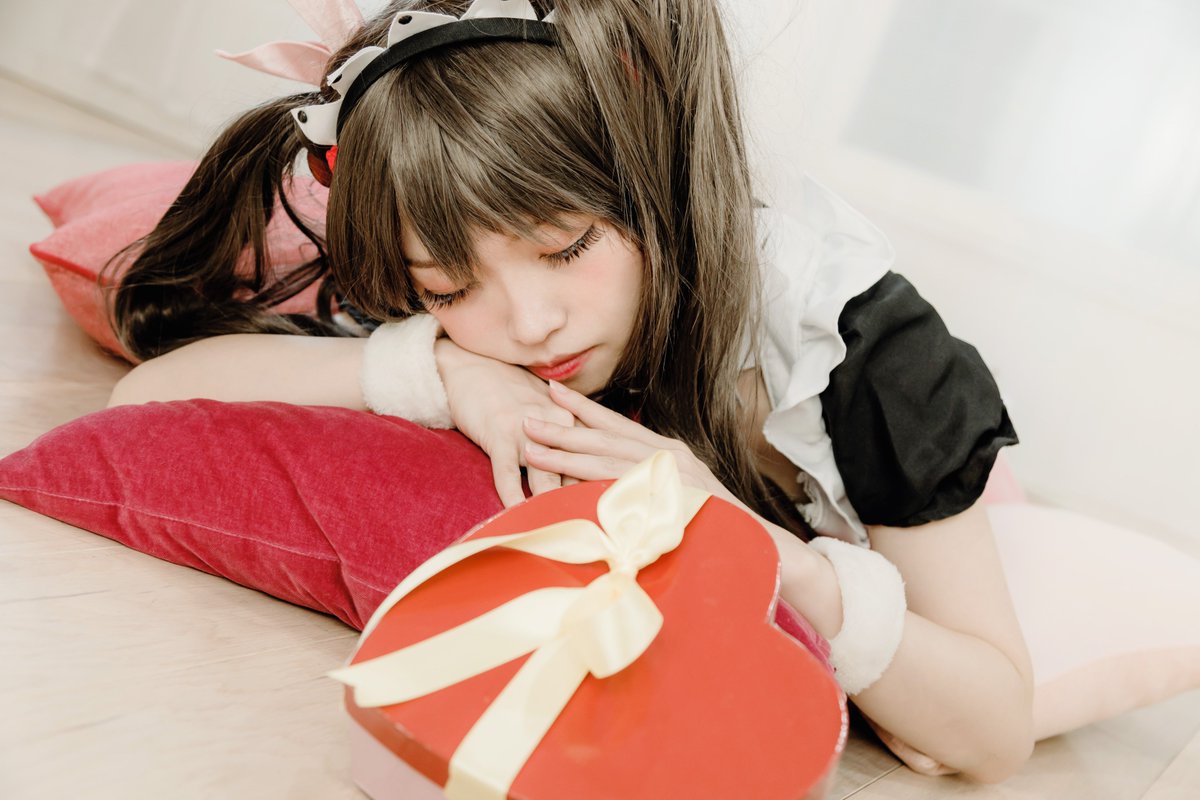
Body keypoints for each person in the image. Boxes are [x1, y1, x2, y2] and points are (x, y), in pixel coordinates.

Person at [107, 0, 1033, 781]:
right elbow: (146, 400)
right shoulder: (473, 321)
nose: (528, 323)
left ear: (650, 179)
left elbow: (996, 732)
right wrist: (445, 369)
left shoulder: (855, 341)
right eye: (446, 288)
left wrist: (758, 550)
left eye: (567, 247)